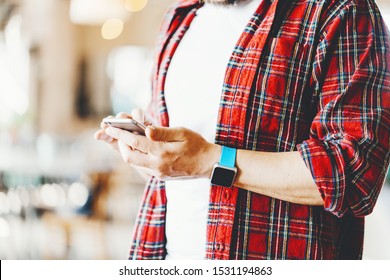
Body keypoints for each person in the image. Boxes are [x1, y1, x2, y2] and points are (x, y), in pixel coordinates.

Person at [95, 0, 390, 259]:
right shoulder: (179, 17)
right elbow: (178, 170)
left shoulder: (341, 10)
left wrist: (210, 160)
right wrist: (145, 152)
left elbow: (354, 174)